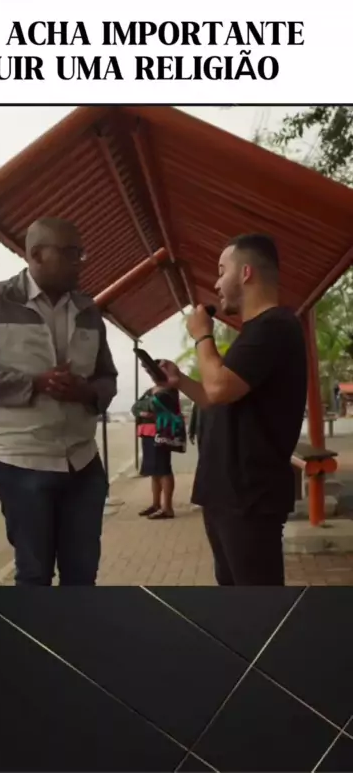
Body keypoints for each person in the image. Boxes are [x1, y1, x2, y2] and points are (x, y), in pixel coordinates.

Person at [0, 217, 118, 587]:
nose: (79, 262)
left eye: (80, 253)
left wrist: (85, 392)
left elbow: (107, 378)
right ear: (36, 254)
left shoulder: (89, 310)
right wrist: (33, 384)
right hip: (21, 464)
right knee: (34, 576)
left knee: (83, 575)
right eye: (70, 253)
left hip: (83, 464)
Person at [159, 234, 307, 586]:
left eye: (221, 270)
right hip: (227, 494)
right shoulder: (255, 332)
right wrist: (181, 381)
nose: (216, 284)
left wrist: (202, 335)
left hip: (250, 496)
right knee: (235, 600)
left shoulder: (274, 326)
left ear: (245, 273)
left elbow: (219, 387)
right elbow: (215, 397)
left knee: (258, 604)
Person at [131, 365, 180, 519]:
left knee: (164, 469)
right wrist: (145, 408)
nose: (152, 375)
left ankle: (167, 508)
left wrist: (146, 407)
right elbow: (135, 408)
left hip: (162, 434)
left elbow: (155, 406)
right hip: (147, 433)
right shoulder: (151, 391)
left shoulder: (169, 391)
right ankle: (156, 504)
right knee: (154, 471)